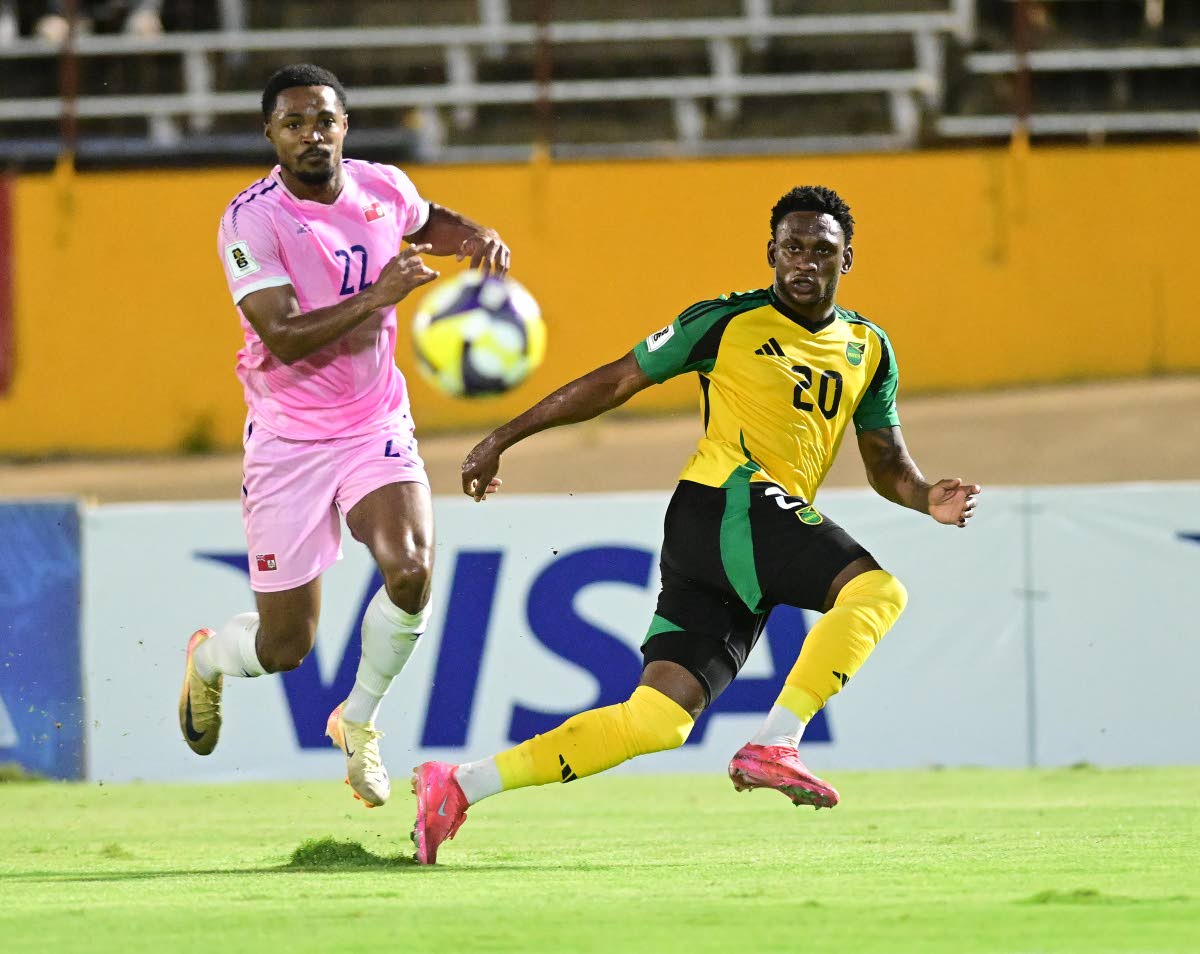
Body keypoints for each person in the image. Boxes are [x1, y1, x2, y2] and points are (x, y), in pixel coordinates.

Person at [409, 185, 980, 864]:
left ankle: (460, 786)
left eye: (821, 251)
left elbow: (886, 462)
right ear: (771, 252)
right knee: (878, 593)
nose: (804, 261)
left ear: (845, 260)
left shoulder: (868, 347)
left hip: (743, 535)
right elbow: (618, 380)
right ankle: (778, 742)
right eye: (791, 247)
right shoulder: (726, 321)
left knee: (659, 719)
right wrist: (504, 435)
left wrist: (924, 497)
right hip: (724, 501)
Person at [178, 64, 510, 809]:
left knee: (412, 568)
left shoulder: (381, 185)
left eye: (324, 120)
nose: (311, 135)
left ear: (344, 126)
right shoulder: (250, 221)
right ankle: (207, 661)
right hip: (288, 442)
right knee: (284, 647)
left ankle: (358, 720)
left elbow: (426, 219)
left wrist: (477, 236)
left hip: (373, 423)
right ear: (270, 135)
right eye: (294, 123)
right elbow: (284, 336)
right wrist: (379, 295)